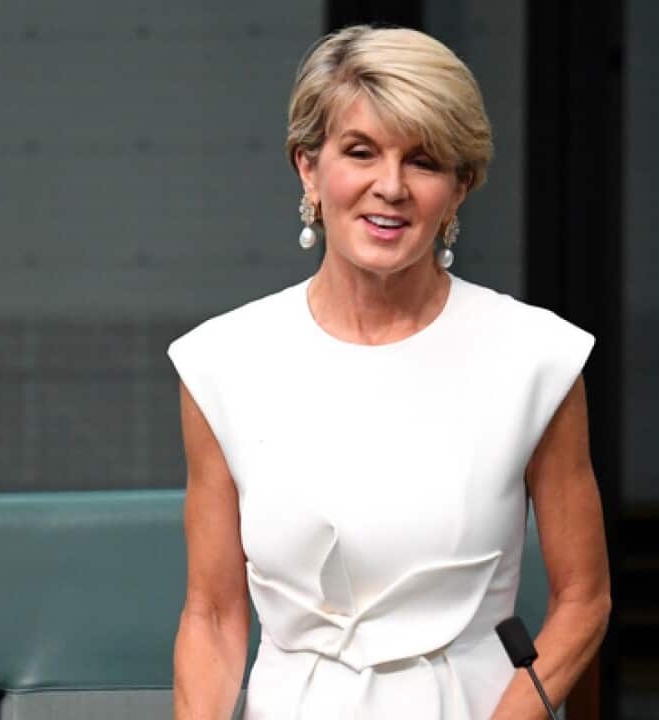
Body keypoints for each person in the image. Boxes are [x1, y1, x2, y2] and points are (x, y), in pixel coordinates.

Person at [168, 24, 611, 719]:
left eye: (424, 161)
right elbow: (213, 616)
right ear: (309, 169)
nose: (391, 187)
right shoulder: (221, 362)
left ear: (460, 188)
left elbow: (584, 600)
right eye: (361, 152)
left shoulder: (536, 357)